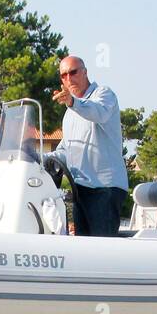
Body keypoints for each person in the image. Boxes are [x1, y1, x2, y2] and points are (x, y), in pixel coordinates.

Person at [49, 55, 128, 236]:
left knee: (103, 254)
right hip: (81, 191)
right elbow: (65, 150)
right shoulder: (69, 114)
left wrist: (72, 102)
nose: (69, 78)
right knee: (85, 254)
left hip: (105, 189)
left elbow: (98, 113)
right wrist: (35, 157)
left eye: (73, 72)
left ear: (85, 72)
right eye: (63, 75)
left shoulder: (104, 94)